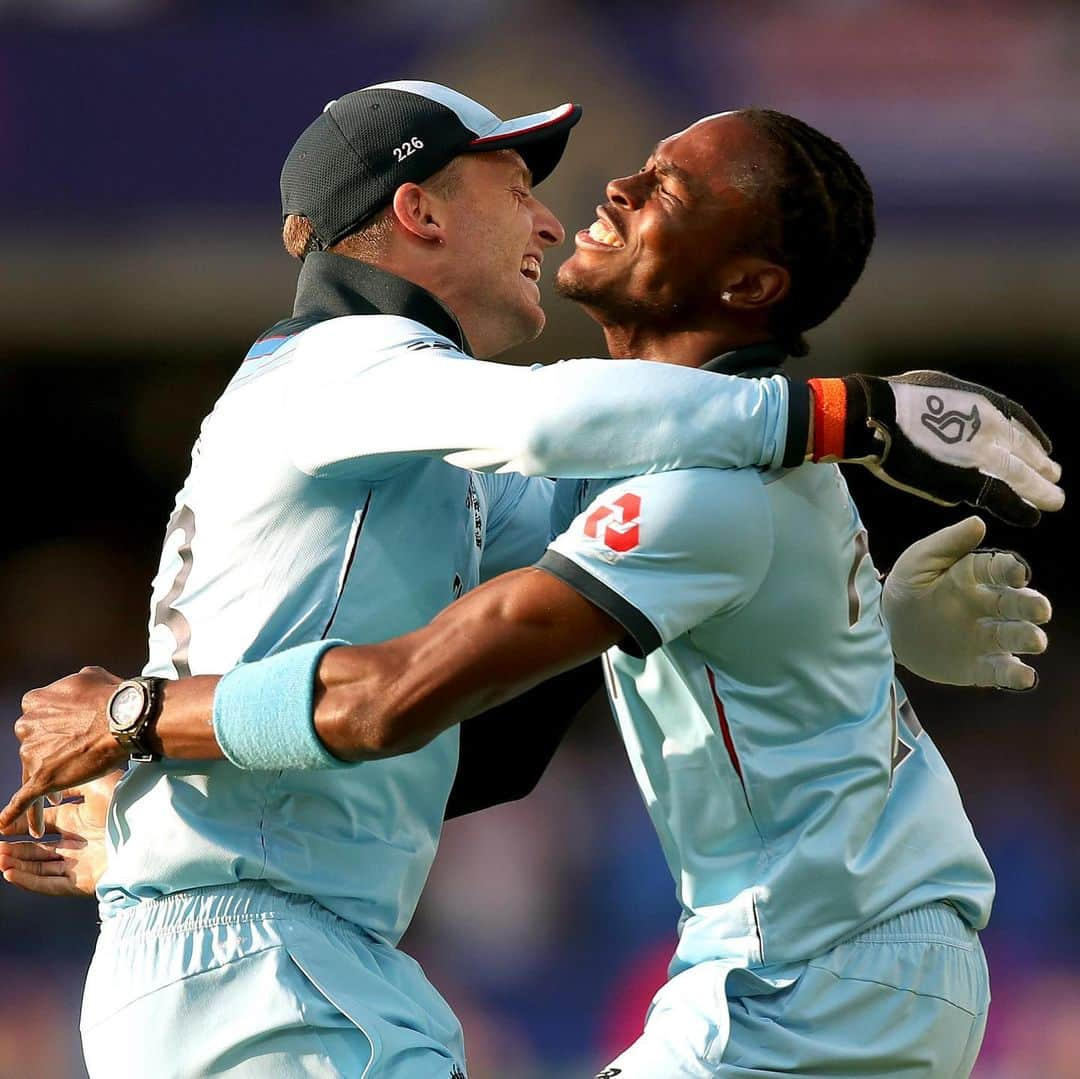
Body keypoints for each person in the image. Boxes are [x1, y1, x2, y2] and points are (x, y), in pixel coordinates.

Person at [1, 90, 1061, 1078]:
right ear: (416, 211)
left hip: (790, 966)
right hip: (278, 962)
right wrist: (857, 416)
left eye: (663, 188)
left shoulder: (642, 481)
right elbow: (542, 451)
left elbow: (447, 707)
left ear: (744, 284)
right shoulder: (343, 365)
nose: (563, 217)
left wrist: (147, 750)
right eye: (519, 191)